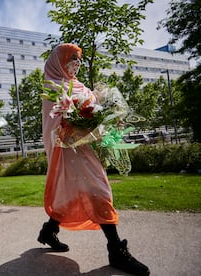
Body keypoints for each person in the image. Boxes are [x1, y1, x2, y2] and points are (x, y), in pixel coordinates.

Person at [37, 43, 150, 276]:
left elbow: (95, 112)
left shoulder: (82, 87)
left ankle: (49, 230)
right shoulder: (52, 87)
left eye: (78, 61)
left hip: (86, 149)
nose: (76, 66)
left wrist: (109, 119)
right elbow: (56, 124)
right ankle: (116, 250)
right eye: (72, 61)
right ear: (59, 61)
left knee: (69, 194)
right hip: (67, 151)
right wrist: (86, 121)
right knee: (99, 192)